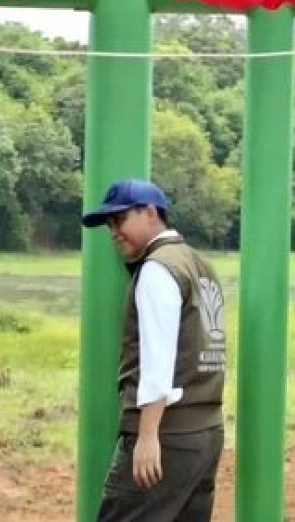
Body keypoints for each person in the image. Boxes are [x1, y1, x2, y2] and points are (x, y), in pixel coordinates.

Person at [81, 179, 227, 522]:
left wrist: (148, 437)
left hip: (168, 435)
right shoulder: (198, 264)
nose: (113, 232)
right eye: (108, 225)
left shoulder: (158, 268)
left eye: (119, 220)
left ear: (149, 213)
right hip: (206, 433)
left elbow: (158, 360)